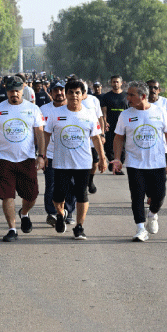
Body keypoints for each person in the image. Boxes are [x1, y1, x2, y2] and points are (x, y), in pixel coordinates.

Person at [111, 81, 167, 242]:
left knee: (159, 195)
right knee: (137, 196)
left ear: (143, 96)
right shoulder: (125, 115)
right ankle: (140, 228)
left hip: (157, 162)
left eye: (132, 95)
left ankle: (153, 214)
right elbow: (119, 137)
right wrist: (118, 158)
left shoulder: (160, 112)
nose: (128, 98)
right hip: (135, 163)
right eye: (128, 94)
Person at [41, 79, 107, 239]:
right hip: (61, 162)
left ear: (83, 95)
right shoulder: (56, 114)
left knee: (81, 194)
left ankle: (79, 227)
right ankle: (60, 214)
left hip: (83, 162)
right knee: (57, 196)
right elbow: (46, 135)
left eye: (77, 93)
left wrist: (103, 158)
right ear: (66, 93)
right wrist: (42, 156)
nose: (74, 96)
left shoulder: (89, 114)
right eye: (70, 92)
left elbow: (96, 138)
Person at [0, 76, 45, 242]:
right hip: (4, 159)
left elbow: (39, 134)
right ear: (6, 91)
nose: (14, 94)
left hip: (26, 158)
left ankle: (24, 213)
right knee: (7, 195)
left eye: (17, 91)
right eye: (11, 91)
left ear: (23, 90)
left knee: (31, 195)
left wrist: (41, 156)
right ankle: (12, 228)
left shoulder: (32, 109)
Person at [40, 81, 76, 227]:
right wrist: (41, 155)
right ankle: (52, 213)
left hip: (71, 154)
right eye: (56, 90)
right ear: (51, 92)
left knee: (71, 185)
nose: (59, 93)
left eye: (62, 90)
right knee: (51, 185)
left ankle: (68, 211)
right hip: (50, 154)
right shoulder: (43, 110)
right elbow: (40, 133)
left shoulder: (74, 109)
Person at [101, 75, 128, 174]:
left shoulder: (126, 96)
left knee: (123, 147)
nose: (115, 84)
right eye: (114, 82)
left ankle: (118, 165)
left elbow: (130, 110)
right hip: (111, 125)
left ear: (121, 83)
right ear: (111, 83)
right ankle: (113, 163)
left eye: (117, 82)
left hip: (123, 125)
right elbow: (104, 112)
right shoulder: (106, 96)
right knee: (109, 146)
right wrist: (105, 122)